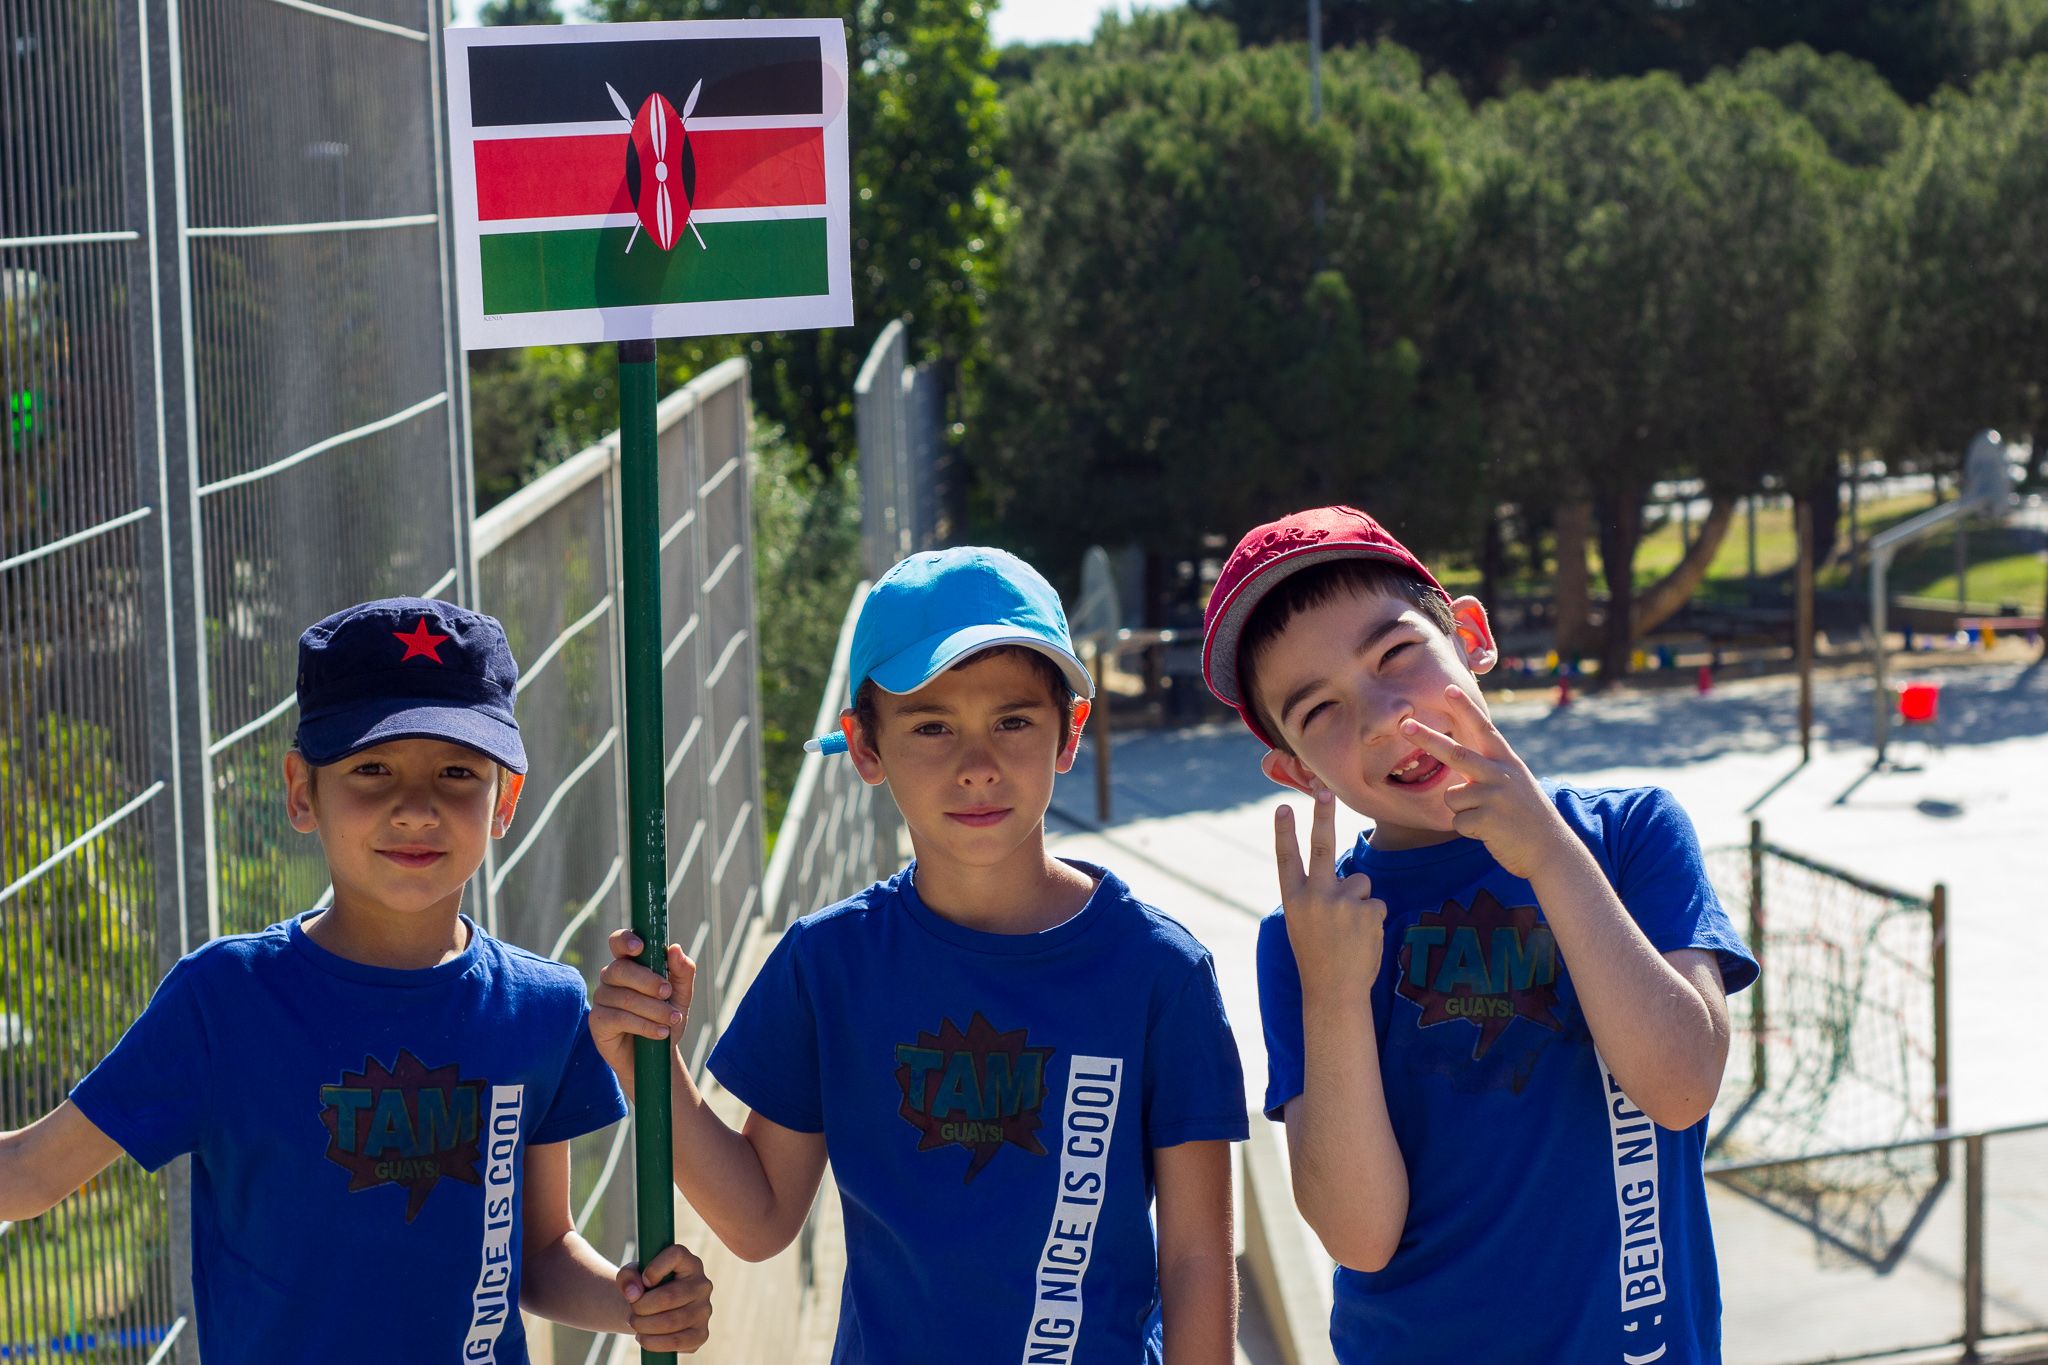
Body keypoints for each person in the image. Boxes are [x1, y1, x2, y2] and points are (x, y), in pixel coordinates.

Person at [0, 597, 713, 1361]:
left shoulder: (542, 1009)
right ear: (301, 790)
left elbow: (538, 1252)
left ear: (503, 799)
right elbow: (31, 1173)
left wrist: (635, 1303)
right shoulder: (224, 1000)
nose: (416, 808)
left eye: (457, 771)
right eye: (371, 768)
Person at [592, 547, 1249, 1363]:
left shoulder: (1159, 972)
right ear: (865, 746)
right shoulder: (829, 965)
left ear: (1070, 731)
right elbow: (759, 1219)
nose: (977, 766)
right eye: (932, 726)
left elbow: (1196, 1259)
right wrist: (649, 1065)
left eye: (1013, 721)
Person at [1200, 507, 1758, 1363]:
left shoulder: (1627, 835)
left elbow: (1681, 1087)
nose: (1381, 716)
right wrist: (1335, 993)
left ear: (1470, 636)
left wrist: (1551, 857)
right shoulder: (1310, 936)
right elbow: (1359, 1236)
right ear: (1297, 770)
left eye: (1395, 655)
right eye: (1320, 710)